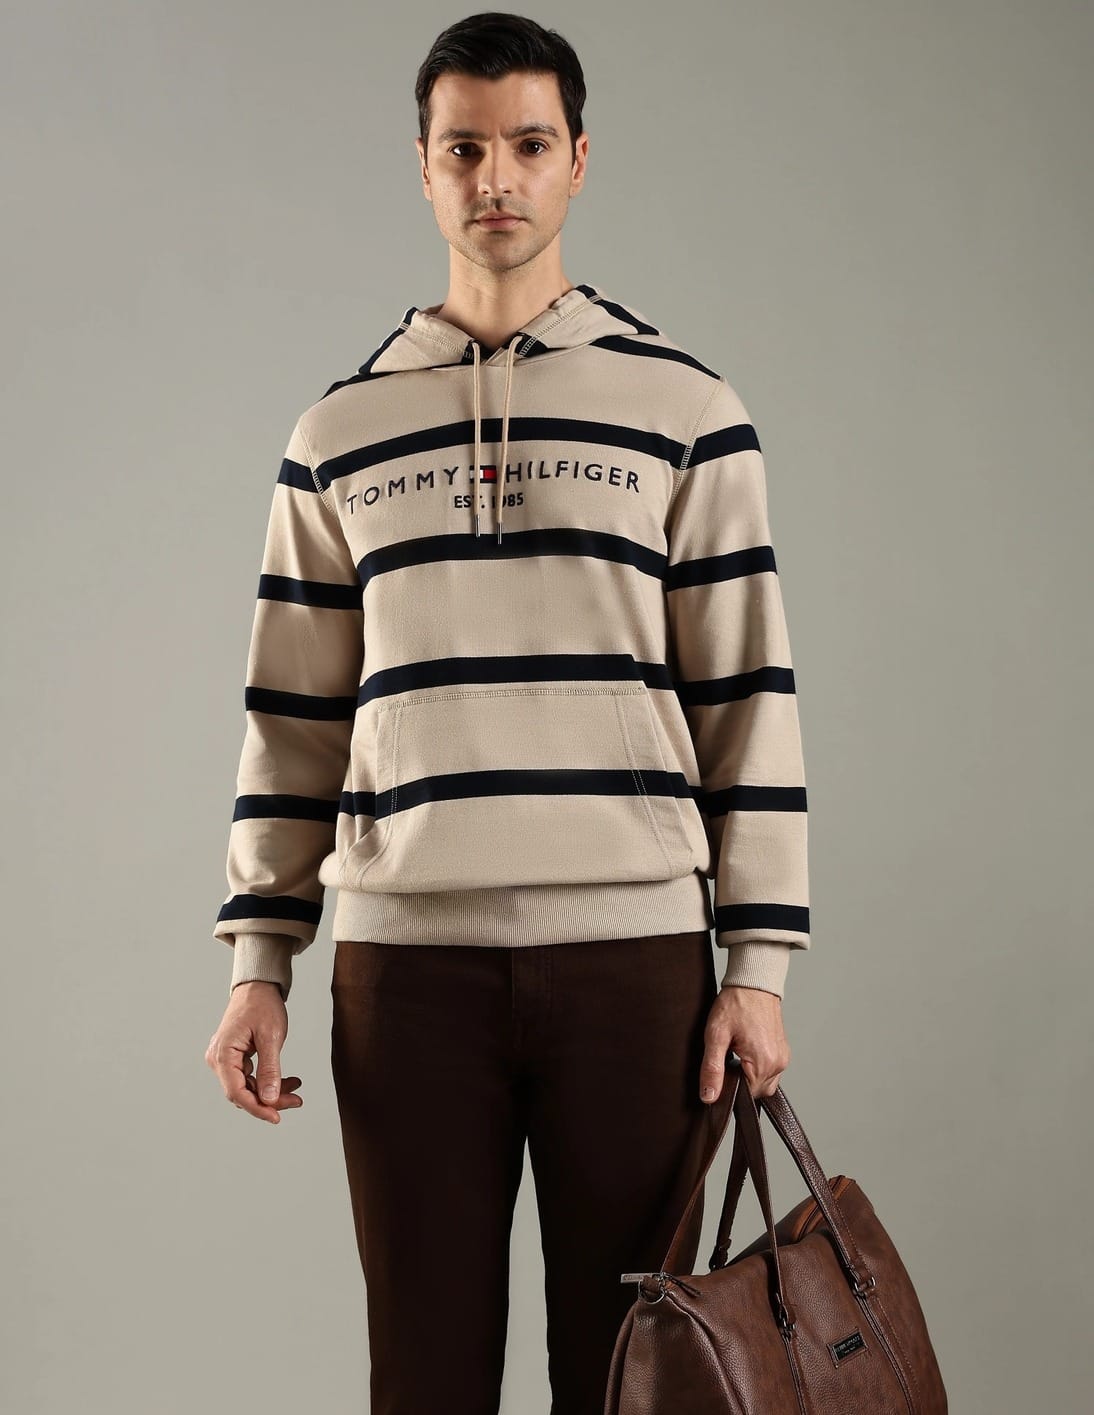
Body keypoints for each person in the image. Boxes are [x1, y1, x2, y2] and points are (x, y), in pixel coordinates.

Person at [204, 11, 810, 1412]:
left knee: (633, 1382)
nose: (497, 179)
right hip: (406, 978)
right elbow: (294, 712)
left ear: (577, 160)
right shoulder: (336, 434)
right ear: (422, 166)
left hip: (636, 971)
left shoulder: (686, 410)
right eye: (464, 149)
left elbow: (746, 695)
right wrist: (258, 960)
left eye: (528, 145)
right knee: (422, 1377)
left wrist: (759, 966)